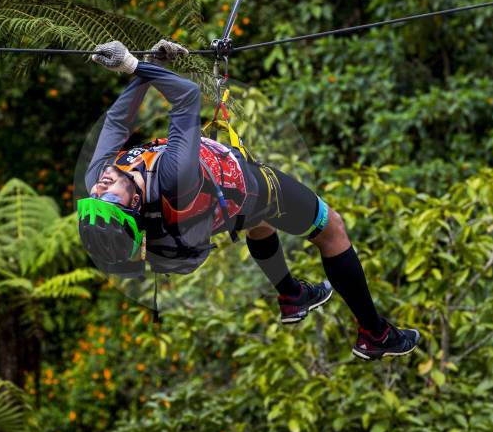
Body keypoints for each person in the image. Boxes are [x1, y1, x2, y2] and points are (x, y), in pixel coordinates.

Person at [77, 40, 420, 360]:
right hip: (249, 191)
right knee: (332, 228)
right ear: (134, 205)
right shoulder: (173, 179)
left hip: (220, 208)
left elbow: (117, 122)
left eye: (95, 198)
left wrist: (151, 65)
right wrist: (133, 65)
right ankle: (375, 334)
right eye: (108, 197)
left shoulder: (100, 177)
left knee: (258, 223)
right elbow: (186, 96)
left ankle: (291, 296)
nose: (100, 187)